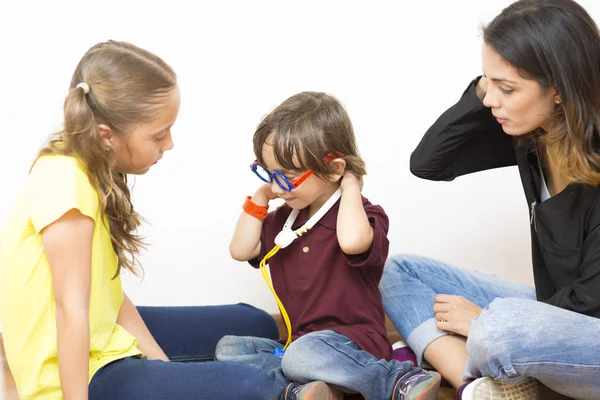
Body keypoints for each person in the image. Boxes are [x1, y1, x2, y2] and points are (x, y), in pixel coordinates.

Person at [0, 40, 280, 400]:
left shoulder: (88, 171)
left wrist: (164, 372)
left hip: (104, 343)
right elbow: (71, 312)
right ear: (106, 135)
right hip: (78, 377)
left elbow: (111, 299)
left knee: (253, 321)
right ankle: (292, 389)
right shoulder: (65, 185)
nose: (169, 144)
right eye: (158, 135)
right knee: (253, 387)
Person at [379, 1, 600, 399]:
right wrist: (485, 85)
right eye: (488, 83)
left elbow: (590, 306)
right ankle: (480, 386)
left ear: (559, 89)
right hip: (547, 315)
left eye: (507, 88)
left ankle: (484, 366)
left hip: (589, 334)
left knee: (500, 331)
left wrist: (482, 321)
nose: (489, 101)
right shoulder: (533, 137)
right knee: (398, 271)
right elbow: (429, 163)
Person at [215, 91, 441, 400]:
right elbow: (240, 250)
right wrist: (260, 197)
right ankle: (305, 391)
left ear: (334, 168)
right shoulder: (283, 221)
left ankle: (396, 381)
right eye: (271, 174)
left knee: (302, 355)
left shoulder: (361, 217)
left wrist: (349, 185)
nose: (279, 186)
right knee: (229, 348)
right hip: (301, 345)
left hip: (354, 343)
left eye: (289, 177)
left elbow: (351, 242)